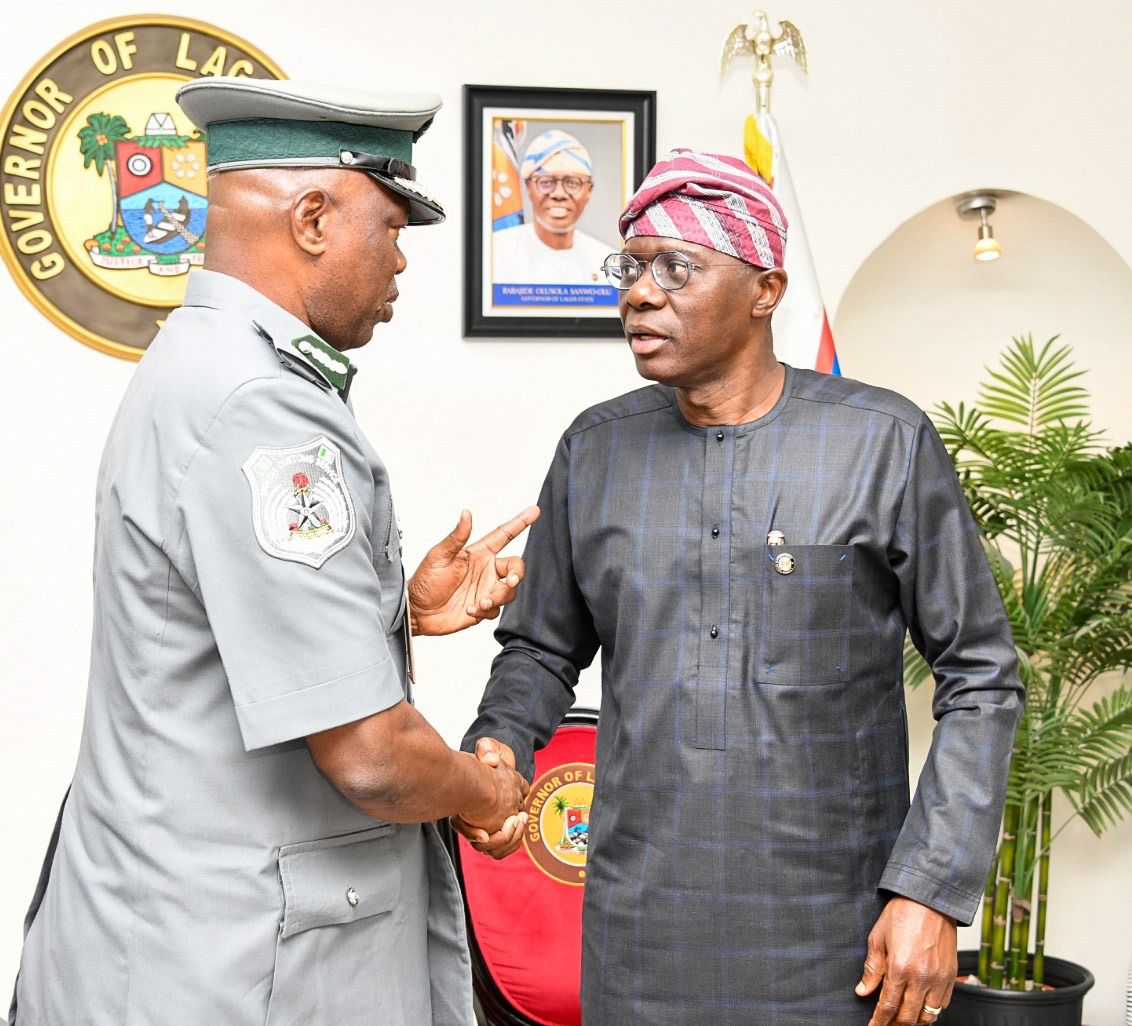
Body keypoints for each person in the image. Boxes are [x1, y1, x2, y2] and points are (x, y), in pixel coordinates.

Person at [8, 77, 535, 1026]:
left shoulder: (198, 360)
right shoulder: (263, 405)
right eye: (392, 232)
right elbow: (371, 755)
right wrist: (481, 791)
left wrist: (397, 613)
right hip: (237, 970)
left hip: (174, 939)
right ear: (312, 220)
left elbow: (210, 622)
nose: (400, 268)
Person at [460, 149, 1024, 1026]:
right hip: (637, 933)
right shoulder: (596, 449)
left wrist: (933, 892)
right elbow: (540, 646)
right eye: (632, 266)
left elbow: (981, 672)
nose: (640, 293)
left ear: (766, 289)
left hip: (844, 937)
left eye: (676, 267)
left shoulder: (882, 442)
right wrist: (497, 743)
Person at [492, 128, 616, 287]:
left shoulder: (608, 262)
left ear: (589, 191)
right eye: (546, 182)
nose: (558, 194)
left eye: (572, 183)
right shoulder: (495, 254)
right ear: (528, 187)